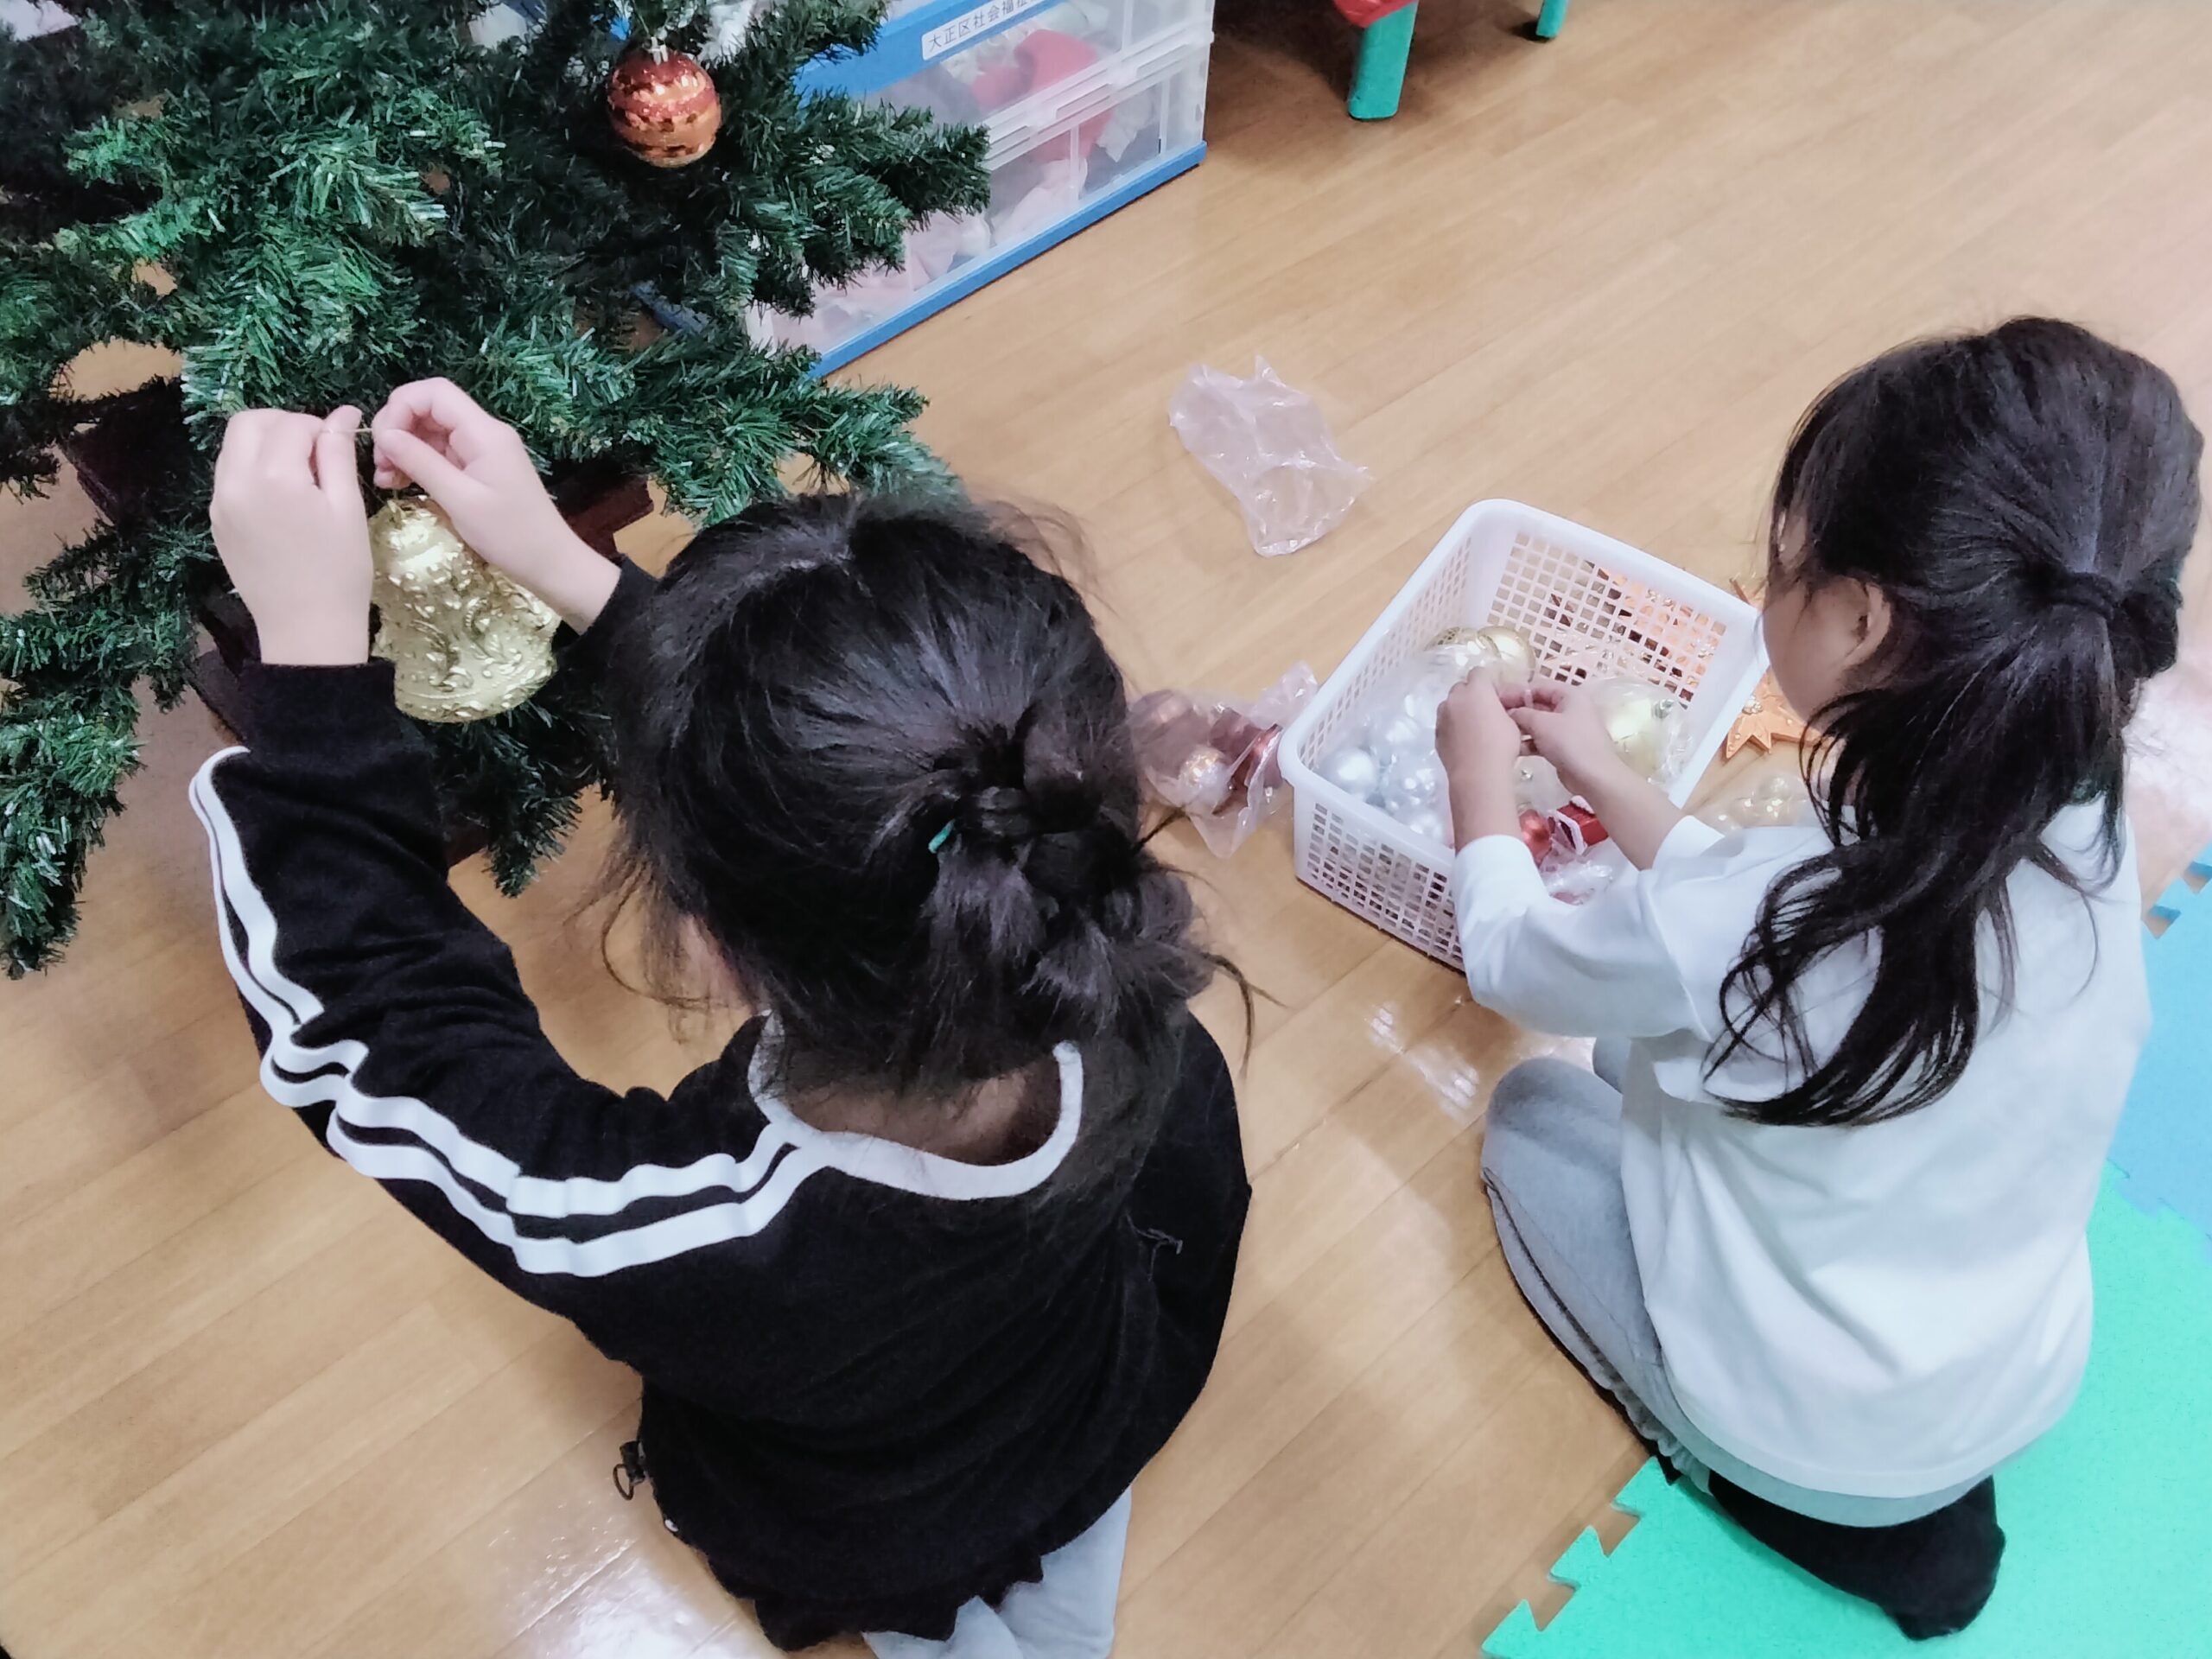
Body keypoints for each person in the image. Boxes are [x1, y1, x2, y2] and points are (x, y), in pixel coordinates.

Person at [195, 382, 1250, 1658]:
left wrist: (311, 679)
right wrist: (563, 565)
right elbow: (852, 773)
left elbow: (373, 1032)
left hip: (884, 1520)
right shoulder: (1103, 941)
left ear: (711, 953)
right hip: (1097, 1373)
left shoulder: (715, 1239)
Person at [1433, 319, 2200, 1637]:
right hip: (2004, 1367)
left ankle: (1756, 1481)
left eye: (1785, 563)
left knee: (1534, 1108)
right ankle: (1869, 1481)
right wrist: (1613, 784)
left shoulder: (1761, 921)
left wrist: (1475, 789)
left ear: (1860, 617)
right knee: (1636, 1051)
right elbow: (1749, 935)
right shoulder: (2081, 823)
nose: (1768, 590)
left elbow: (1512, 961)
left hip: (1802, 1432)